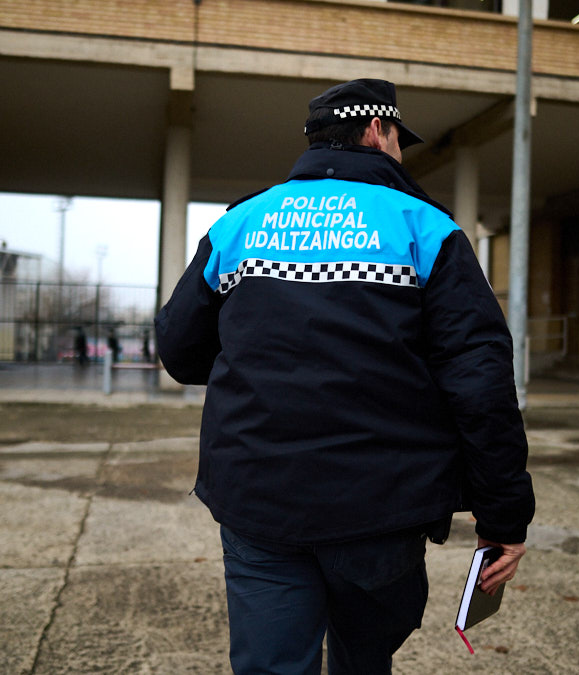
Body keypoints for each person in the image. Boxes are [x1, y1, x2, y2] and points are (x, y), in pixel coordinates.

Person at [155, 78, 534, 674]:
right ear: (377, 131)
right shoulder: (426, 227)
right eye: (399, 139)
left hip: (258, 496)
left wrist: (255, 365)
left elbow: (179, 351)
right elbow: (480, 383)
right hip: (380, 507)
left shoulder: (239, 223)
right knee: (364, 657)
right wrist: (504, 516)